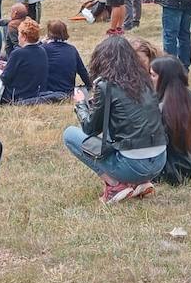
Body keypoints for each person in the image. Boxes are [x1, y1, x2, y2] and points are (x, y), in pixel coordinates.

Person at [61, 36, 167, 203]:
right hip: (159, 161)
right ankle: (139, 182)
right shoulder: (146, 79)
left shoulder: (106, 86)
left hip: (133, 165)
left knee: (69, 134)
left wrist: (81, 104)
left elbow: (90, 129)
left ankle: (115, 185)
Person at [151, 56, 191, 184]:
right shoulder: (188, 96)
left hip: (176, 168)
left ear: (164, 78)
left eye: (153, 75)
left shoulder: (166, 107)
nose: (149, 79)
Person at [42, 19, 91, 99]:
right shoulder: (72, 49)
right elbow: (82, 71)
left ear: (48, 33)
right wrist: (89, 85)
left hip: (47, 91)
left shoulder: (43, 49)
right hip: (68, 91)